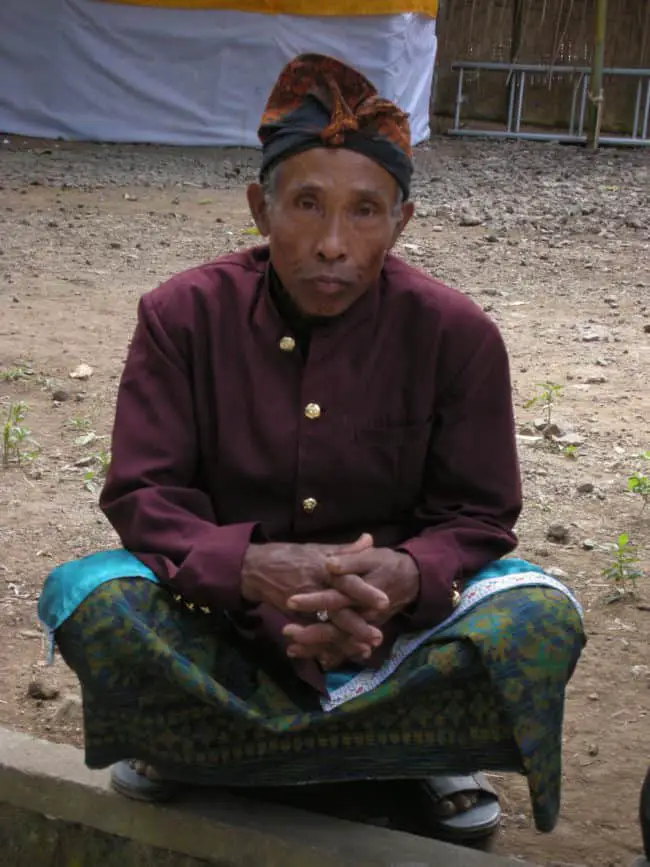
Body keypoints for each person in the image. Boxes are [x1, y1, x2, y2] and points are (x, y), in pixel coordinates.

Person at [38, 53, 585, 844]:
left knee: (538, 618)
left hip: (392, 633)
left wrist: (402, 578)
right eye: (306, 204)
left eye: (365, 211)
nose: (333, 241)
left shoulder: (457, 336)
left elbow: (478, 511)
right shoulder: (181, 317)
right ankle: (376, 750)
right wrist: (253, 568)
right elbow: (145, 497)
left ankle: (241, 744)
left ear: (401, 222)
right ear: (261, 208)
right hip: (223, 620)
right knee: (94, 601)